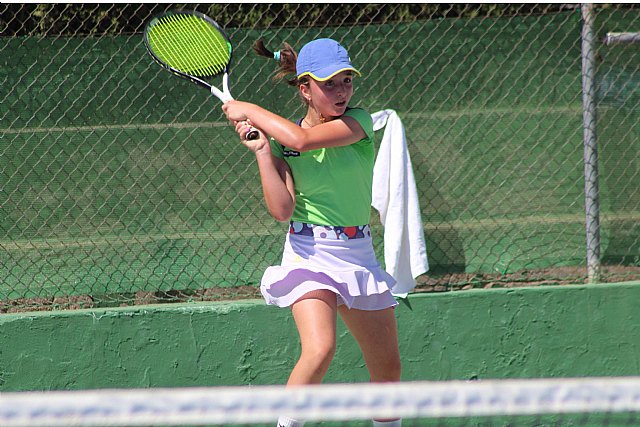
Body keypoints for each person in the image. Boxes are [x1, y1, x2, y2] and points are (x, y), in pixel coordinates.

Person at [222, 38, 402, 427]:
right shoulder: (285, 143)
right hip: (309, 253)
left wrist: (249, 109)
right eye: (330, 84)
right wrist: (263, 154)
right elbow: (282, 210)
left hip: (360, 256)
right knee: (320, 349)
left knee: (388, 374)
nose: (342, 92)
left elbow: (301, 138)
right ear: (305, 88)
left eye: (346, 81)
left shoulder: (359, 122)